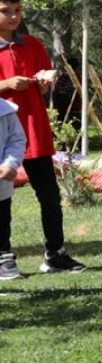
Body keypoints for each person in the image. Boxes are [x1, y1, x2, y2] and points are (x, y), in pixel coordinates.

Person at [0, 0, 86, 276]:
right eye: (5, 11)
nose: (14, 16)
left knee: (49, 195)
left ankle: (55, 254)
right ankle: (3, 258)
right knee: (2, 196)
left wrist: (44, 82)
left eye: (18, 10)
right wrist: (5, 85)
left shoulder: (33, 44)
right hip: (2, 135)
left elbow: (41, 77)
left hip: (33, 129)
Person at [0, 99, 25, 280]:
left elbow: (16, 139)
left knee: (1, 221)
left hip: (1, 180)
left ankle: (3, 258)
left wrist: (11, 163)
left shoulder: (6, 111)